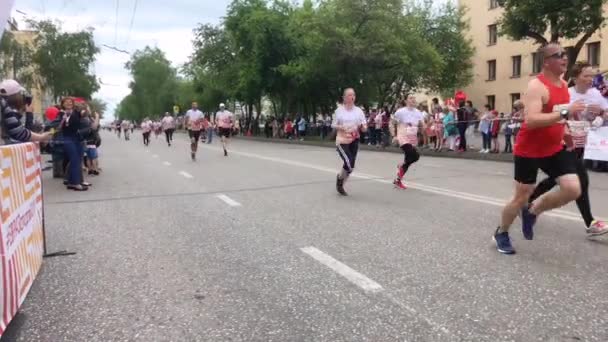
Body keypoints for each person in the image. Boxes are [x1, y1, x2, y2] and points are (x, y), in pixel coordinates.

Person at [494, 44, 584, 254]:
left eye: (565, 54)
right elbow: (532, 120)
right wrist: (565, 114)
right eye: (558, 55)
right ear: (546, 62)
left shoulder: (562, 84)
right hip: (529, 149)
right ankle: (502, 232)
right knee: (521, 197)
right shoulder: (536, 87)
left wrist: (565, 133)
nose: (565, 58)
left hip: (553, 147)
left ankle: (533, 212)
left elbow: (554, 115)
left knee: (573, 189)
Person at [526, 62, 608, 236]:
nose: (590, 80)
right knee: (581, 181)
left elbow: (606, 113)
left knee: (556, 180)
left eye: (592, 76)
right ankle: (590, 222)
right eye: (586, 76)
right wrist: (569, 113)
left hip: (584, 145)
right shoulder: (567, 93)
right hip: (564, 143)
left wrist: (601, 113)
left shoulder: (596, 95)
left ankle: (526, 201)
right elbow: (554, 116)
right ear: (576, 77)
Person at [333, 88, 368, 196]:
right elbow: (333, 124)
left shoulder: (359, 111)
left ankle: (340, 181)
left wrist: (363, 127)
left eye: (353, 95)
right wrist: (341, 127)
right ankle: (340, 180)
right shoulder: (339, 111)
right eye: (349, 95)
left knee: (350, 165)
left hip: (354, 139)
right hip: (342, 140)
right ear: (344, 98)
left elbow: (364, 126)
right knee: (349, 162)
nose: (351, 97)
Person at [0, 79, 52, 144]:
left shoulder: (8, 109)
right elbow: (19, 132)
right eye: (20, 94)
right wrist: (41, 137)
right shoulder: (4, 105)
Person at [392, 95, 424, 190]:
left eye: (414, 98)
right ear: (406, 101)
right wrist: (394, 135)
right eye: (410, 98)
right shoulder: (400, 112)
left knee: (413, 157)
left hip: (412, 138)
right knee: (412, 153)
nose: (413, 99)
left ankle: (398, 180)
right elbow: (392, 123)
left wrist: (425, 126)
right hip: (403, 137)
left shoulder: (418, 112)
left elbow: (422, 124)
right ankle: (402, 166)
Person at [58, 97, 87, 191]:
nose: (69, 103)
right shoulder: (61, 114)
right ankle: (75, 183)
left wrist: (84, 108)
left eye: (70, 102)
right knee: (74, 158)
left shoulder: (76, 112)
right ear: (63, 104)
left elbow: (85, 113)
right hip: (67, 137)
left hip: (76, 137)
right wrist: (63, 119)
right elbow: (58, 127)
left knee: (78, 159)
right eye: (66, 102)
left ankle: (71, 182)